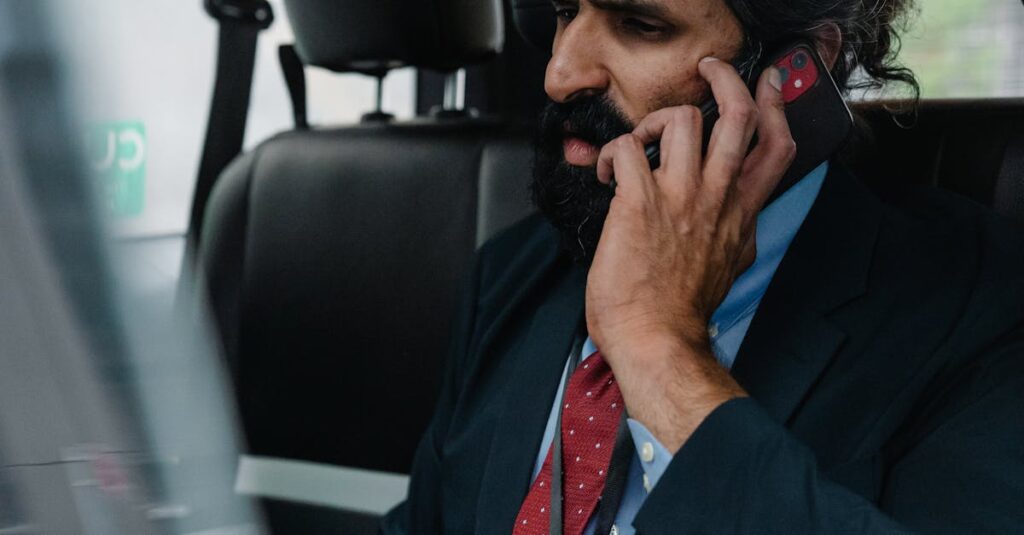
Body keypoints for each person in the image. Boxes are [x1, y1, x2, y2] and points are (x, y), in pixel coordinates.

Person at [382, 0, 1024, 533]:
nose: (560, 72)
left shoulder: (982, 315)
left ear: (793, 72)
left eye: (641, 25)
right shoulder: (514, 273)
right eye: (562, 11)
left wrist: (657, 350)